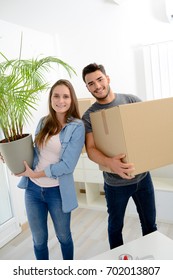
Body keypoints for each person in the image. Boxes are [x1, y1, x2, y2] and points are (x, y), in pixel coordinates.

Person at [82, 63, 157, 249]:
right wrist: (110, 163)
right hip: (115, 185)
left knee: (150, 226)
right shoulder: (89, 116)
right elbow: (90, 149)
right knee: (115, 228)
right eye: (91, 83)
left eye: (99, 79)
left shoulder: (131, 100)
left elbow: (149, 128)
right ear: (87, 87)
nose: (97, 86)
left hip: (143, 178)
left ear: (107, 79)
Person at [15, 79, 85, 260]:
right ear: (51, 98)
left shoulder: (77, 127)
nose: (60, 100)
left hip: (57, 192)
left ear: (71, 100)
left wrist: (36, 173)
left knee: (63, 237)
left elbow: (67, 165)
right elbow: (34, 152)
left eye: (65, 96)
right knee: (38, 240)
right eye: (56, 95)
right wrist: (12, 157)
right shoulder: (43, 122)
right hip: (32, 190)